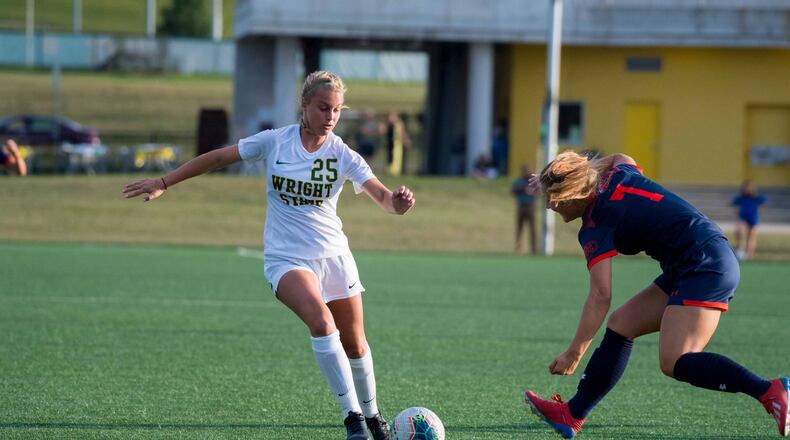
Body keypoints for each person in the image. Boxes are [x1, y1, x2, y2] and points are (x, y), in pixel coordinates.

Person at [123, 71, 415, 440]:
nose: (330, 116)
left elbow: (386, 200)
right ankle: (353, 419)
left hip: (335, 256)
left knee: (355, 342)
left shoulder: (343, 155)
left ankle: (374, 417)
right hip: (287, 258)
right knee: (322, 324)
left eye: (337, 110)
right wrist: (164, 182)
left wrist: (400, 204)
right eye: (323, 107)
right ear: (305, 106)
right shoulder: (276, 142)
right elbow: (217, 159)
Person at [522, 151, 788, 438]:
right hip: (697, 257)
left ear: (575, 192)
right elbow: (620, 156)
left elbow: (600, 294)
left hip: (705, 266)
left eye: (555, 196)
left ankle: (769, 390)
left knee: (675, 360)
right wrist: (568, 171)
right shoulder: (617, 175)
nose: (549, 204)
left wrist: (574, 352)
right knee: (622, 324)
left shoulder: (597, 222)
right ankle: (572, 415)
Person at [731, 180, 766, 261]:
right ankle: (739, 249)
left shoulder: (756, 197)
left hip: (753, 219)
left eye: (748, 188)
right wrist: (737, 211)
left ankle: (749, 255)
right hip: (743, 218)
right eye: (745, 188)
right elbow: (733, 203)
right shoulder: (741, 198)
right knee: (739, 231)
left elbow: (764, 203)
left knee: (751, 237)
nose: (746, 189)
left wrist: (759, 210)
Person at [511, 163, 536, 254]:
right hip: (521, 205)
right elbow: (513, 192)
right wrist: (522, 190)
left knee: (532, 228)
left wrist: (530, 191)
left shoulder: (531, 180)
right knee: (519, 228)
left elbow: (537, 190)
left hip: (530, 206)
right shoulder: (518, 181)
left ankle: (534, 249)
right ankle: (518, 248)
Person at [384, 112, 411, 176]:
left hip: (397, 145)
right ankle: (389, 171)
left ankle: (394, 172)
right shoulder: (389, 125)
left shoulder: (399, 124)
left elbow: (402, 133)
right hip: (390, 144)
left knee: (396, 158)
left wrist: (406, 140)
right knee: (390, 158)